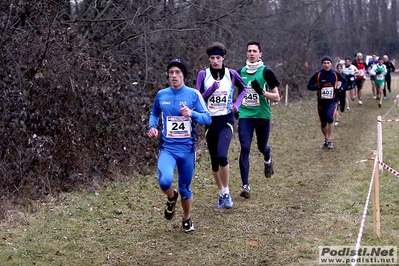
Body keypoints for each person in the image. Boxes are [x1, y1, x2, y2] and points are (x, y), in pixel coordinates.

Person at [147, 57, 212, 233]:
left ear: (183, 75)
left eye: (177, 72)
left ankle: (187, 218)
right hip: (168, 148)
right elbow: (154, 114)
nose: (174, 76)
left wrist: (191, 114)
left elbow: (208, 118)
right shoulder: (162, 94)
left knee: (185, 188)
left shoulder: (193, 95)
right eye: (171, 73)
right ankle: (171, 196)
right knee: (164, 181)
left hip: (187, 150)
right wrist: (152, 127)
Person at [195, 42, 246, 209]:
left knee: (222, 155)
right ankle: (222, 192)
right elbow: (197, 98)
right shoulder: (203, 74)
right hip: (210, 121)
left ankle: (227, 191)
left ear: (223, 58)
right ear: (209, 59)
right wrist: (209, 90)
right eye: (212, 58)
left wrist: (236, 105)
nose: (215, 61)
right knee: (214, 162)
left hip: (226, 120)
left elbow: (244, 89)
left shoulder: (231, 74)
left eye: (218, 58)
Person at [237, 41, 280, 199]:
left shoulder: (266, 72)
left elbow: (277, 97)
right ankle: (245, 186)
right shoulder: (240, 72)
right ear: (246, 53)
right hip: (245, 116)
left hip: (262, 115)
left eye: (255, 51)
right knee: (245, 148)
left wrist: (261, 92)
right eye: (249, 51)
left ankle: (268, 158)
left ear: (260, 54)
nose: (252, 54)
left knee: (262, 147)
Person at [307, 56, 347, 149]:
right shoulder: (318, 74)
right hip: (321, 101)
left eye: (328, 63)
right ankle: (327, 140)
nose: (326, 65)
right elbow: (309, 86)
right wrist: (318, 87)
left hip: (333, 100)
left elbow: (345, 81)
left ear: (331, 64)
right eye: (324, 63)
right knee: (323, 123)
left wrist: (341, 88)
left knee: (330, 117)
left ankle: (329, 140)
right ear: (322, 64)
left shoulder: (335, 74)